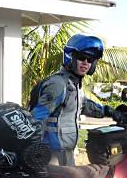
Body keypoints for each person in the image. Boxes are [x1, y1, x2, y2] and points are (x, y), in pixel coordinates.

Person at [31, 34, 114, 166]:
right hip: (52, 156)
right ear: (71, 57)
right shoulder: (58, 85)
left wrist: (109, 111)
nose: (86, 63)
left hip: (66, 154)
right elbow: (36, 118)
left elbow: (83, 105)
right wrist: (33, 152)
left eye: (90, 59)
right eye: (82, 57)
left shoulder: (73, 85)